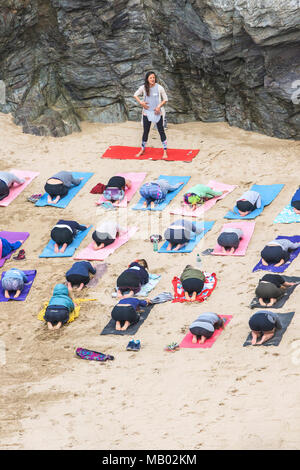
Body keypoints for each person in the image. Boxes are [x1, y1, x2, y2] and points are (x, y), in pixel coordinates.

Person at [134, 71, 168, 159]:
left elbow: (165, 99)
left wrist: (158, 107)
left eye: (153, 77)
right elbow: (135, 95)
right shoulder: (144, 87)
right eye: (151, 78)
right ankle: (142, 149)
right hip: (146, 113)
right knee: (146, 131)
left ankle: (165, 151)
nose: (152, 79)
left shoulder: (159, 87)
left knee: (161, 131)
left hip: (157, 112)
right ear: (147, 79)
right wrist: (141, 102)